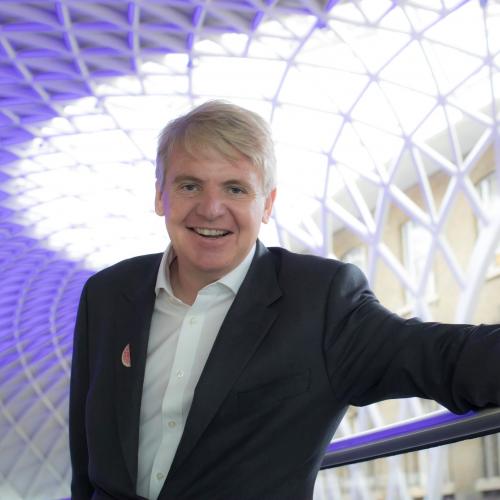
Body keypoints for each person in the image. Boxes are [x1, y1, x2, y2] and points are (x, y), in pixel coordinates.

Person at [69, 100, 500, 500]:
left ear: (267, 204)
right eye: (189, 185)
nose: (211, 208)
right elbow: (85, 458)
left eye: (236, 189)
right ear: (159, 195)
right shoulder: (107, 295)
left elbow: (445, 358)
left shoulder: (321, 301)